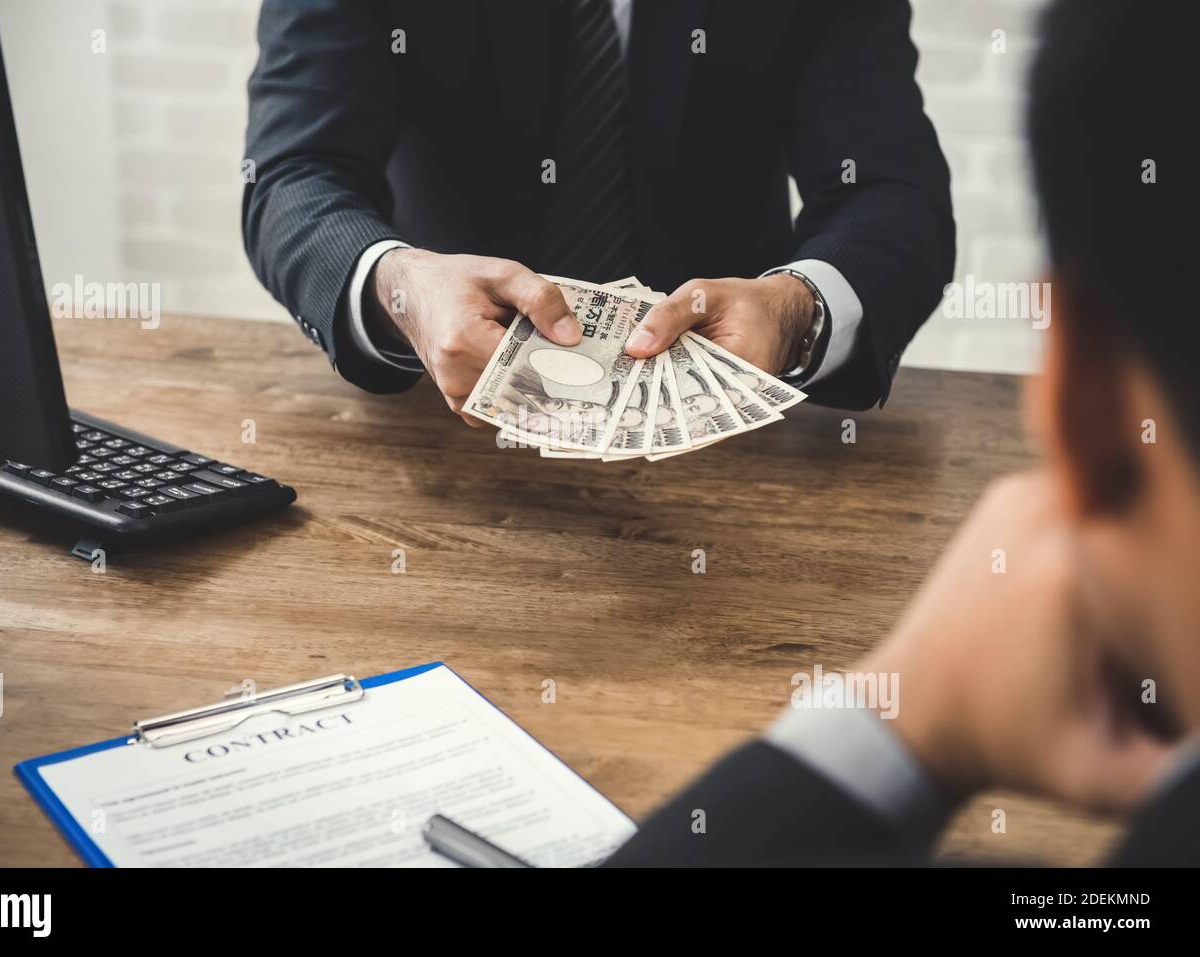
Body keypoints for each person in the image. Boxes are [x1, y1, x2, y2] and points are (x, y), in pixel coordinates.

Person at [605, 0, 1200, 866]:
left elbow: (896, 195)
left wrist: (906, 719)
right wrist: (383, 276)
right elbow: (322, 168)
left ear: (1076, 397)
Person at [242, 0, 954, 421]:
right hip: (440, 421)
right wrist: (398, 286)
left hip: (726, 436)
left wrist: (797, 309)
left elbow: (892, 193)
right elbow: (294, 173)